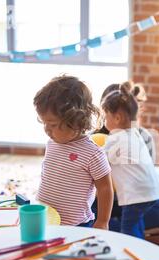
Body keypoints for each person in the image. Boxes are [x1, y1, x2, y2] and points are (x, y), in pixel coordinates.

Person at [99, 82, 159, 241]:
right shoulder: (134, 134)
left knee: (130, 226)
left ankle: (133, 246)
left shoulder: (115, 138)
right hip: (144, 193)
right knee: (134, 221)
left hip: (133, 196)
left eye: (105, 115)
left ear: (117, 117)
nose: (103, 118)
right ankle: (144, 236)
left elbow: (98, 159)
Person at [33, 75, 113, 229]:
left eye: (52, 124)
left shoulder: (92, 153)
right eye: (44, 123)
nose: (47, 130)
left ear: (77, 120)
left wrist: (103, 221)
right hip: (47, 217)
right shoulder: (52, 142)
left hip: (76, 224)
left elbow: (105, 188)